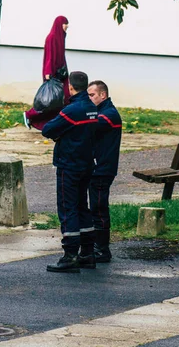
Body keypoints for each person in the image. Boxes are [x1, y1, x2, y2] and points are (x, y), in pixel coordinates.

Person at [42, 71, 98, 273]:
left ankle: (70, 255)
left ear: (71, 87)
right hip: (86, 164)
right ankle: (88, 252)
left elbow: (48, 129)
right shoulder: (92, 108)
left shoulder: (72, 110)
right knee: (83, 207)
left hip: (69, 165)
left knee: (68, 209)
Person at [87, 80, 122, 262]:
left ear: (103, 95)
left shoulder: (109, 115)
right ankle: (95, 246)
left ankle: (102, 249)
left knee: (99, 207)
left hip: (103, 169)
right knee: (95, 206)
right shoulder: (102, 112)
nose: (89, 98)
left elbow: (89, 125)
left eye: (92, 95)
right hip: (98, 167)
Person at [24, 16, 70, 130]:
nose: (67, 26)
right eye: (65, 24)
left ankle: (54, 123)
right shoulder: (52, 38)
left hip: (61, 74)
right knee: (51, 100)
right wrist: (48, 72)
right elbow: (49, 56)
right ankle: (30, 114)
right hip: (53, 75)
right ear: (59, 24)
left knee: (62, 99)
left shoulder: (60, 37)